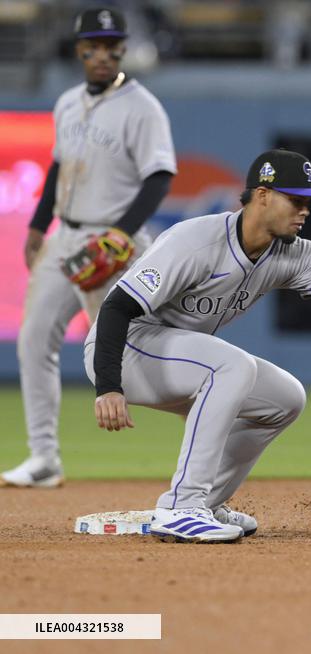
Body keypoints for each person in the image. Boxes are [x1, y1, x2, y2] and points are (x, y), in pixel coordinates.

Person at [84, 149, 311, 543]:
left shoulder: (295, 253)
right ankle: (183, 507)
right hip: (126, 347)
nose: (305, 211)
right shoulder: (195, 241)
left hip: (180, 353)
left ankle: (207, 503)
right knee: (232, 366)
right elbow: (117, 307)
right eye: (296, 200)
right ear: (264, 195)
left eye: (309, 203)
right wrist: (108, 386)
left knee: (285, 398)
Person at [2, 7, 176, 488]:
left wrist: (123, 231)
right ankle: (43, 458)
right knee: (35, 338)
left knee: (132, 352)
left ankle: (201, 429)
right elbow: (59, 167)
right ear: (79, 50)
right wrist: (38, 226)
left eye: (111, 45)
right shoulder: (66, 102)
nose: (102, 53)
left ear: (123, 48)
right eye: (93, 46)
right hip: (66, 238)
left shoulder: (142, 106)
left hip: (113, 240)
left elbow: (160, 175)